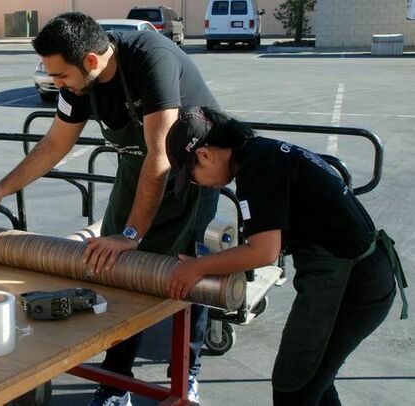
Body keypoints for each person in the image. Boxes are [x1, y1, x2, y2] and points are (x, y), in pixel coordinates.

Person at [0, 12, 218, 405]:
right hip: (138, 170)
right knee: (113, 269)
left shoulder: (151, 60)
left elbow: (161, 155)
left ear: (92, 62)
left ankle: (187, 374)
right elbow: (53, 146)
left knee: (187, 272)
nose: (56, 84)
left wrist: (131, 235)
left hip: (191, 171)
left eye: (61, 76)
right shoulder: (78, 85)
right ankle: (116, 382)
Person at [165, 106, 408, 405]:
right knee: (315, 381)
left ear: (204, 155)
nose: (197, 185)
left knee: (293, 387)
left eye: (192, 178)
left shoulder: (256, 167)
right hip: (364, 276)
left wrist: (198, 267)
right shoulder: (260, 153)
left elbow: (263, 251)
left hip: (350, 285)